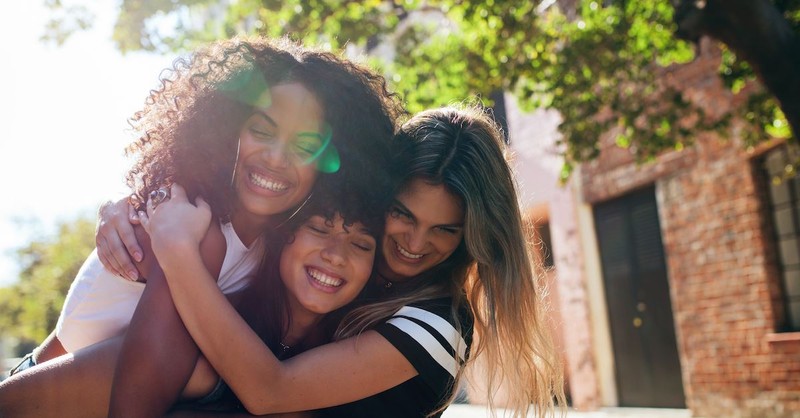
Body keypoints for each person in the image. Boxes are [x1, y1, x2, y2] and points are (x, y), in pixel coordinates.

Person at [3, 35, 401, 417]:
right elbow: (133, 408)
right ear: (227, 132)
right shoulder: (187, 223)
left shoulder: (279, 245)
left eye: (305, 146)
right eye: (262, 131)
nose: (277, 158)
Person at [97, 105, 566, 418]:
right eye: (403, 214)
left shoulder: (437, 323)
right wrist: (145, 205)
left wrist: (176, 253)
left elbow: (270, 391)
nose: (417, 243)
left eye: (446, 229)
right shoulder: (352, 277)